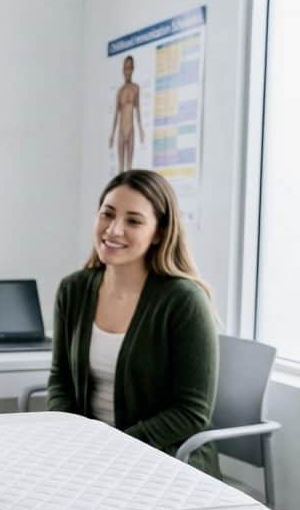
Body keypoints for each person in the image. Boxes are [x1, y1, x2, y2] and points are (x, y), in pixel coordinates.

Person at [47, 169, 220, 477]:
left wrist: (113, 447)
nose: (114, 230)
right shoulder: (73, 290)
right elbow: (61, 379)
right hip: (88, 456)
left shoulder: (184, 300)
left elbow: (191, 412)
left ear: (159, 233)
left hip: (165, 458)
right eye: (107, 215)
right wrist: (71, 438)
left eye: (133, 221)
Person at [108, 55, 144, 173]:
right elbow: (116, 115)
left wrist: (141, 130)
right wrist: (112, 135)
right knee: (120, 169)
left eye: (129, 68)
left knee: (129, 168)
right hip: (121, 131)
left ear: (132, 69)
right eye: (125, 68)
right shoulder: (120, 91)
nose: (127, 71)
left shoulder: (135, 88)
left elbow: (138, 110)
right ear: (123, 70)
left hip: (131, 130)